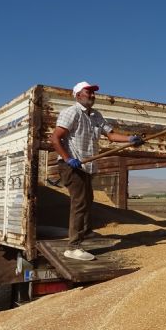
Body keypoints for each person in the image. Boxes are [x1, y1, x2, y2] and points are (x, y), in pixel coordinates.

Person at [50, 81, 144, 261]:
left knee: (88, 199)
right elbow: (55, 139)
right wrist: (68, 158)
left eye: (93, 93)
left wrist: (130, 139)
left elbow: (110, 135)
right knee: (79, 202)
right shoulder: (71, 113)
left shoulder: (96, 115)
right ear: (78, 95)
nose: (92, 95)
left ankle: (85, 233)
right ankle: (73, 246)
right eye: (88, 92)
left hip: (86, 166)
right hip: (71, 166)